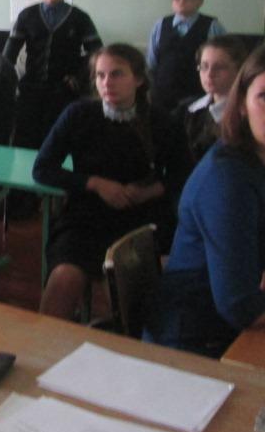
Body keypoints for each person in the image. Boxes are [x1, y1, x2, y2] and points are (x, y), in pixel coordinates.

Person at [144, 40, 265, 357]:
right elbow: (243, 308)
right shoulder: (227, 178)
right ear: (243, 105)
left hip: (251, 330)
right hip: (195, 346)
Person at [33, 44, 191, 321]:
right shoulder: (78, 114)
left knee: (125, 293)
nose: (107, 82)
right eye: (100, 75)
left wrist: (147, 192)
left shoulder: (163, 121)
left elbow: (184, 174)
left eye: (117, 74)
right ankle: (44, 342)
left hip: (141, 218)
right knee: (63, 279)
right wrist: (95, 184)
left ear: (138, 79)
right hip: (86, 217)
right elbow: (42, 169)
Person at [4, 0, 102, 150]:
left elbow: (97, 53)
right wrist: (7, 81)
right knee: (25, 139)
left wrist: (78, 75)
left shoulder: (79, 18)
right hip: (31, 87)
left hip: (64, 89)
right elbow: (9, 52)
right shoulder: (27, 15)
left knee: (60, 139)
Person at [146, 0, 227, 112]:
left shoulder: (213, 26)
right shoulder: (160, 25)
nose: (182, 0)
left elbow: (223, 63)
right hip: (161, 99)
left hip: (198, 99)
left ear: (200, 1)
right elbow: (151, 63)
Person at [176, 35, 247, 162]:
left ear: (239, 70)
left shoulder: (246, 114)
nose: (209, 74)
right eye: (204, 66)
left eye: (219, 67)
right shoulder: (187, 109)